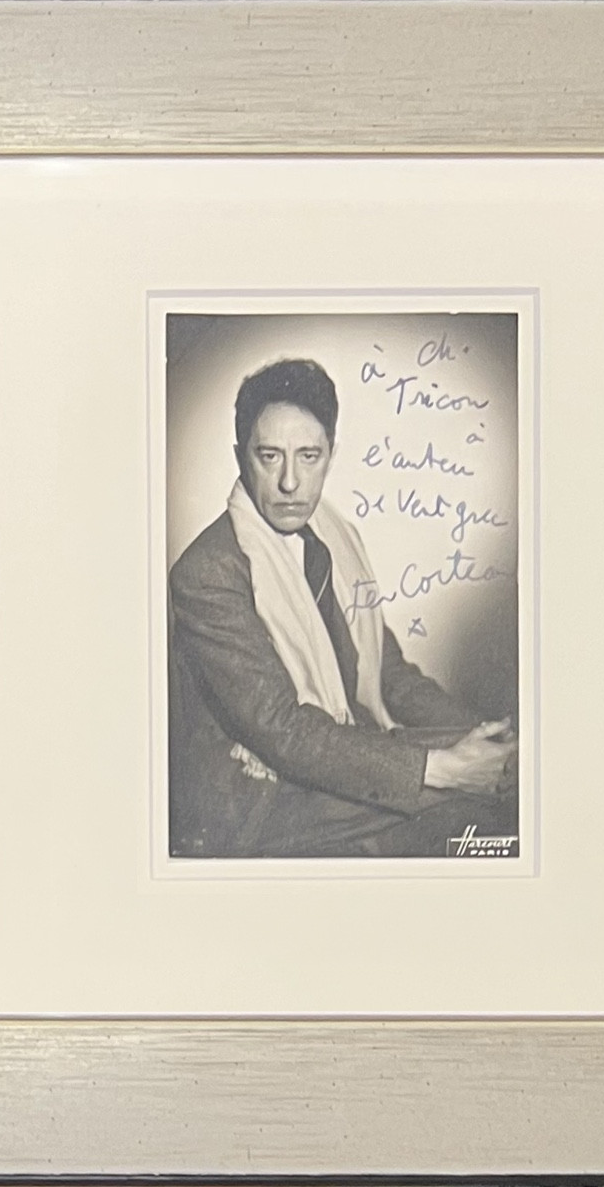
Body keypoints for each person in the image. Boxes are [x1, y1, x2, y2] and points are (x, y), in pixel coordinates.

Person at [167, 358, 516, 857]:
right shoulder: (208, 573)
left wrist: (485, 740)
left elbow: (390, 676)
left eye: (309, 456)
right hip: (262, 803)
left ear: (331, 454)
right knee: (470, 822)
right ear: (240, 456)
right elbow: (285, 732)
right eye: (270, 456)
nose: (291, 482)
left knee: (514, 781)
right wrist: (441, 768)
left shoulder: (335, 538)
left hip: (340, 755)